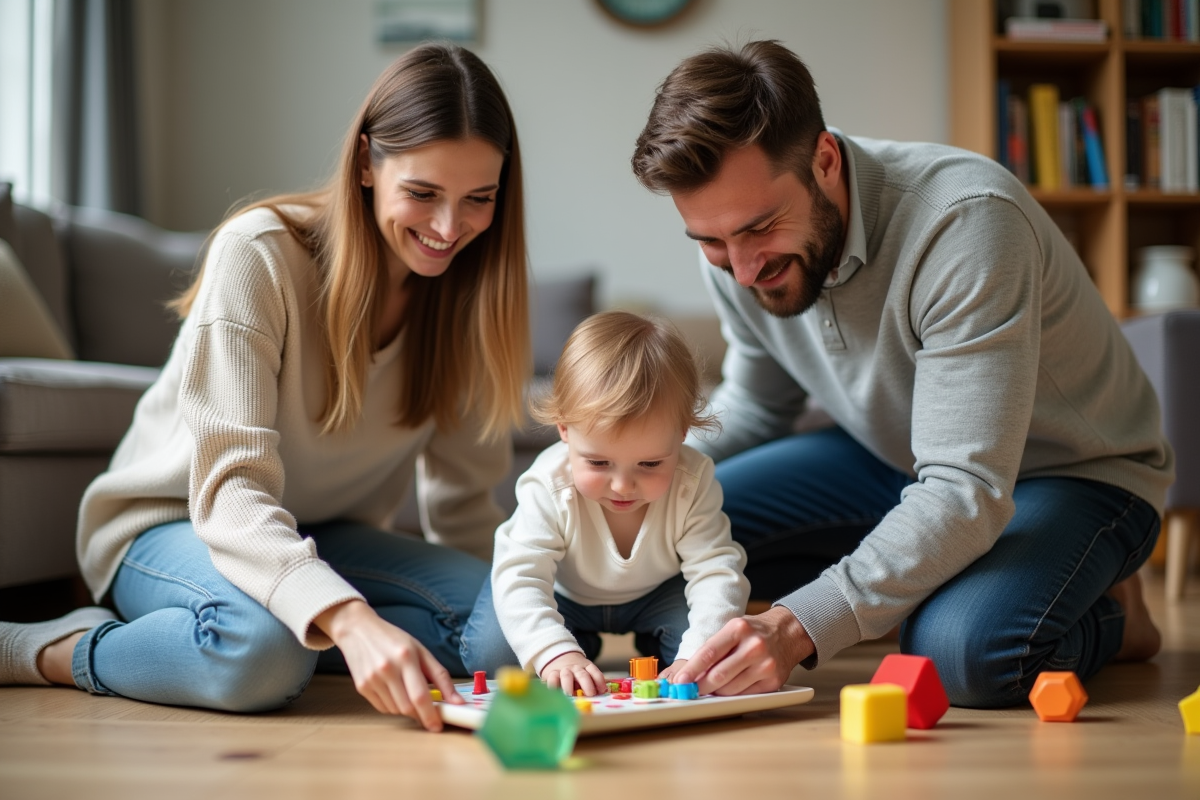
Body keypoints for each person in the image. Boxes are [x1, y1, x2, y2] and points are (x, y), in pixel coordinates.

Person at [0, 43, 531, 732]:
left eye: (478, 200)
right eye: (423, 194)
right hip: (176, 519)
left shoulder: (468, 298)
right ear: (367, 162)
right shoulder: (261, 255)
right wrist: (348, 617)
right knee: (263, 652)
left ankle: (289, 635)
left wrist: (526, 623)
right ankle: (49, 647)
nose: (447, 229)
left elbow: (462, 504)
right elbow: (229, 493)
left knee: (505, 635)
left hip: (322, 535)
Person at [628, 40, 1173, 705]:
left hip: (1072, 475)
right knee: (656, 543)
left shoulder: (966, 224)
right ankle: (926, 575)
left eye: (760, 228)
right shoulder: (734, 243)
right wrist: (633, 473)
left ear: (823, 160)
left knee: (960, 655)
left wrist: (798, 625)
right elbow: (757, 408)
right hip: (892, 460)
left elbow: (964, 487)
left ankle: (1117, 616)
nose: (742, 270)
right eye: (711, 241)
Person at [459, 310, 750, 695]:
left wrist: (691, 656)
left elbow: (716, 572)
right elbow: (522, 574)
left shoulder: (692, 481)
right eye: (598, 462)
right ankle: (577, 642)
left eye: (649, 463)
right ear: (564, 428)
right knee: (491, 656)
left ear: (681, 433)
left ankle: (655, 645)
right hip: (565, 596)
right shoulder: (548, 484)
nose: (623, 485)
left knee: (711, 655)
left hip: (657, 595)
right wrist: (555, 652)